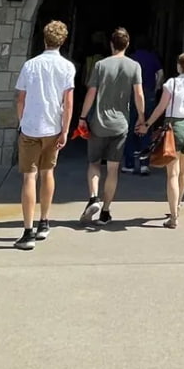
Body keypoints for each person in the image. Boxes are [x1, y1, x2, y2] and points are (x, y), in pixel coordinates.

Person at [14, 20, 76, 251]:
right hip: (53, 127)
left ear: (44, 39)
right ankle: (44, 221)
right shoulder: (67, 67)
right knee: (47, 172)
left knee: (29, 177)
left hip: (31, 126)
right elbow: (68, 103)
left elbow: (21, 98)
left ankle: (28, 231)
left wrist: (22, 121)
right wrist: (65, 130)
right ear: (63, 41)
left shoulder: (30, 65)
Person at [77, 27, 145, 225]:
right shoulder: (134, 66)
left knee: (94, 163)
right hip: (120, 125)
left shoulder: (100, 65)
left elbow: (91, 93)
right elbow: (139, 94)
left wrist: (82, 117)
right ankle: (105, 211)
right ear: (127, 44)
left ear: (111, 44)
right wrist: (141, 118)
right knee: (113, 169)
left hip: (98, 123)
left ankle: (93, 198)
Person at [139, 52, 184, 229]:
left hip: (175, 126)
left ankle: (173, 217)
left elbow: (161, 107)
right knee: (183, 171)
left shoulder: (171, 83)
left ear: (178, 66)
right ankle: (178, 205)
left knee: (172, 174)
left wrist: (147, 124)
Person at [122, 36, 162, 175]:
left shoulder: (131, 58)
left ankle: (129, 163)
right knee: (147, 127)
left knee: (130, 128)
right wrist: (156, 89)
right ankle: (144, 164)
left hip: (133, 94)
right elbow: (160, 74)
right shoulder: (153, 58)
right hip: (149, 94)